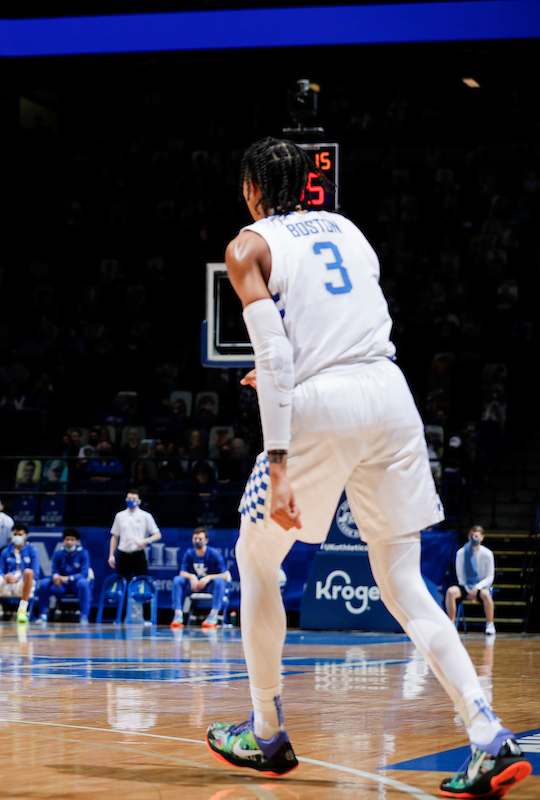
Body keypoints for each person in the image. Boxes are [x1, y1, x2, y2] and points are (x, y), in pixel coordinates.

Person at [205, 137, 530, 798]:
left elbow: (274, 353)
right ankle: (487, 733)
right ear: (308, 185)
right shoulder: (350, 231)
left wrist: (278, 462)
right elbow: (337, 323)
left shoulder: (246, 245)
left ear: (250, 190)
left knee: (256, 557)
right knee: (403, 579)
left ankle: (266, 733)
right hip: (388, 391)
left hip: (322, 402)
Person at [170, 527, 229, 628]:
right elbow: (182, 572)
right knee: (177, 580)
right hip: (194, 586)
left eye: (200, 539)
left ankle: (213, 615)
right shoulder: (189, 554)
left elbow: (226, 575)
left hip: (209, 587)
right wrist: (192, 577)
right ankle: (178, 615)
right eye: (195, 539)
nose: (197, 541)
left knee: (219, 580)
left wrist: (209, 577)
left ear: (206, 540)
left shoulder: (214, 554)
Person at [33, 529, 93, 624]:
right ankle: (43, 614)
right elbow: (54, 570)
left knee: (84, 583)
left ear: (77, 541)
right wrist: (55, 576)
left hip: (75, 585)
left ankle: (84, 616)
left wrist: (69, 578)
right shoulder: (58, 553)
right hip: (61, 586)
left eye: (72, 540)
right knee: (44, 583)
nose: (69, 542)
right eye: (67, 539)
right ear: (63, 540)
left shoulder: (83, 553)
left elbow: (84, 573)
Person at [446, 525, 495, 636]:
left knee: (486, 595)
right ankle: (451, 625)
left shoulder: (487, 554)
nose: (473, 538)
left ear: (481, 538)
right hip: (465, 585)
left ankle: (490, 624)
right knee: (450, 592)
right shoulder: (461, 553)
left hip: (481, 586)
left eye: (476, 536)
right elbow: (460, 577)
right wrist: (468, 590)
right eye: (471, 535)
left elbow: (490, 577)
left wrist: (476, 588)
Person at [108, 491, 162, 583]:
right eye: (129, 498)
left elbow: (157, 535)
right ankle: (124, 598)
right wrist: (111, 555)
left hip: (138, 554)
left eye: (134, 498)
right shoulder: (119, 516)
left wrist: (146, 540)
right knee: (123, 582)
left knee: (141, 582)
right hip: (123, 554)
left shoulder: (145, 516)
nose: (131, 500)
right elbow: (115, 536)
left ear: (139, 501)